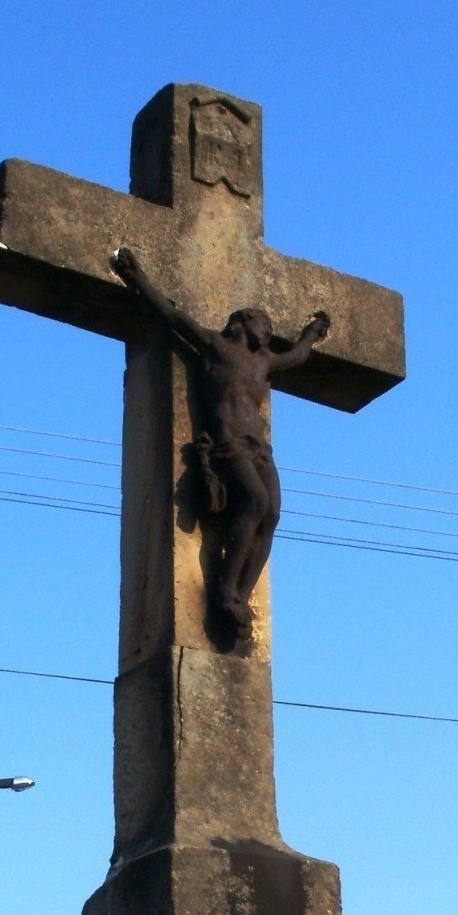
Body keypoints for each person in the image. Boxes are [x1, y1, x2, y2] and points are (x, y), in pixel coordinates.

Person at [111, 246, 330, 636]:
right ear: (245, 323)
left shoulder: (264, 362)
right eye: (264, 323)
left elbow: (295, 356)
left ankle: (238, 594)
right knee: (256, 503)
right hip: (230, 444)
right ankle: (226, 587)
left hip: (261, 449)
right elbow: (173, 315)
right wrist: (136, 276)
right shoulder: (216, 347)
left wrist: (312, 333)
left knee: (273, 517)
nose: (268, 331)